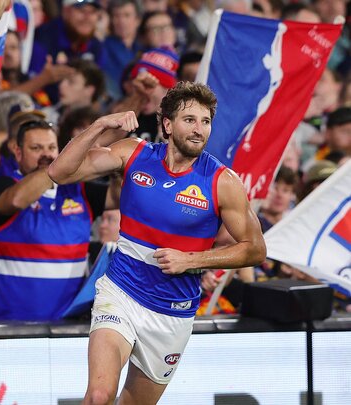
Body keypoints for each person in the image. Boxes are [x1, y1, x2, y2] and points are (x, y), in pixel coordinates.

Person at [48, 81, 266, 404]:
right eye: (189, 120)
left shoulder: (222, 182)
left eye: (205, 122)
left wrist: (191, 260)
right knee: (98, 394)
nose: (199, 130)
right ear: (167, 124)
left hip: (172, 314)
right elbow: (59, 172)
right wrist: (100, 125)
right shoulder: (134, 153)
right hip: (121, 293)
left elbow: (256, 248)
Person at [0, 119, 114, 321]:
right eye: (36, 148)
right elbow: (17, 200)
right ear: (18, 152)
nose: (46, 154)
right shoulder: (3, 185)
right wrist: (59, 166)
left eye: (52, 147)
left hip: (66, 328)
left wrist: (121, 166)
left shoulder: (80, 190)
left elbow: (123, 197)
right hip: (6, 328)